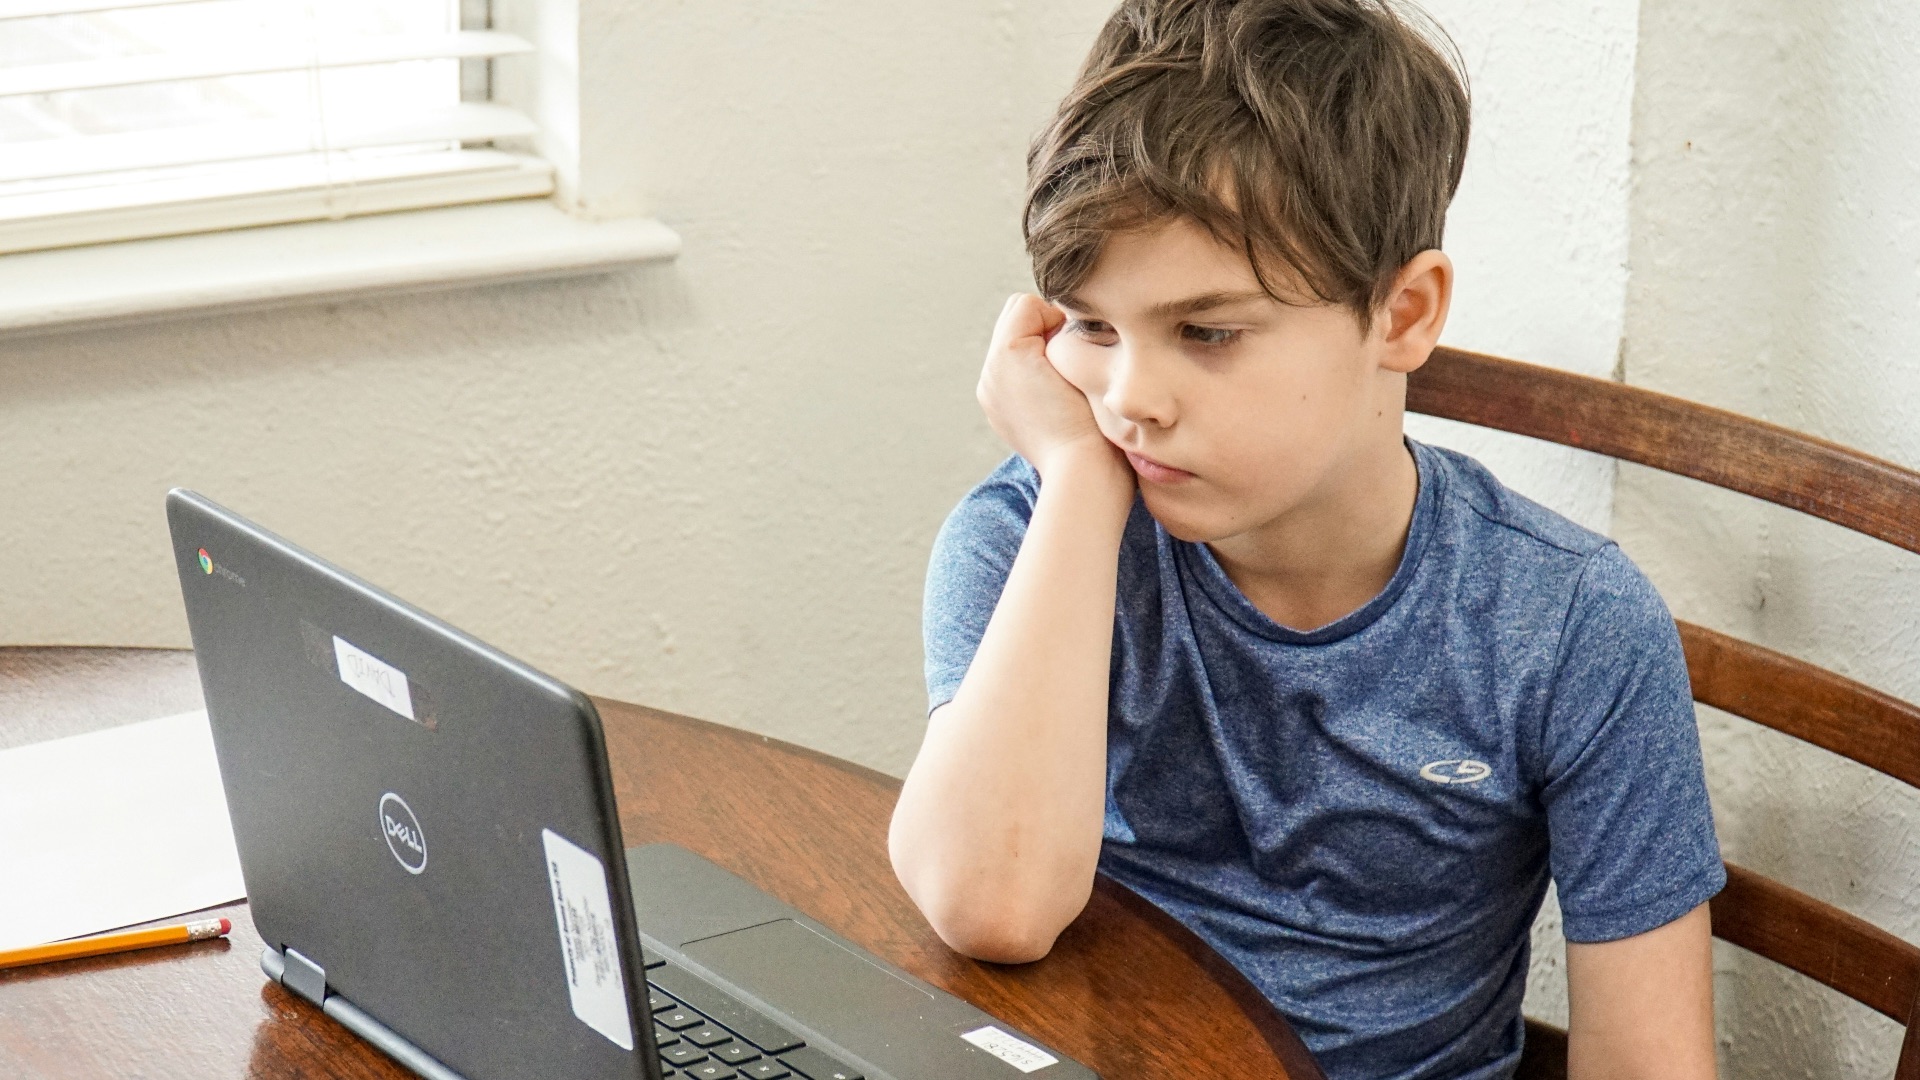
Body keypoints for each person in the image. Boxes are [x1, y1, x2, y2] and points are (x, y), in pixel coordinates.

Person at [886, 1, 1724, 1077]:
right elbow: (987, 905)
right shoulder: (1027, 537)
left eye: (1207, 332)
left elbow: (1647, 1066)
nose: (1130, 399)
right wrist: (1082, 490)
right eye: (1092, 326)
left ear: (1404, 313)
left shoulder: (1569, 627)